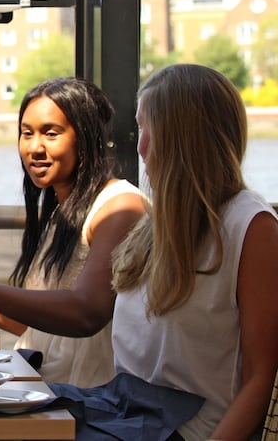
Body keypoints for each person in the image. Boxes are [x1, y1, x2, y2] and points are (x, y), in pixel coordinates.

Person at [0, 77, 146, 387]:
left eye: (51, 134)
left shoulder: (119, 208)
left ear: (86, 138)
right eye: (27, 134)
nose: (35, 148)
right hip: (41, 381)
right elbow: (44, 329)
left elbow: (86, 315)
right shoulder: (60, 212)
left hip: (85, 397)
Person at [108, 64, 278, 440]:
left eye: (146, 129)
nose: (140, 147)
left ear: (182, 137)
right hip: (126, 422)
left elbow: (260, 376)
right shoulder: (153, 225)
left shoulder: (250, 226)